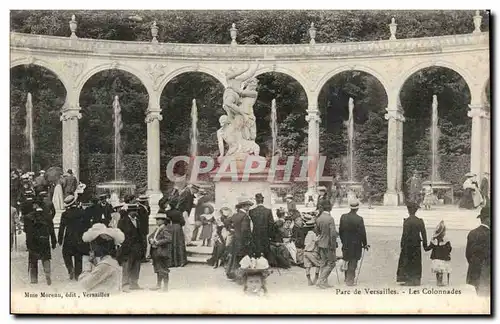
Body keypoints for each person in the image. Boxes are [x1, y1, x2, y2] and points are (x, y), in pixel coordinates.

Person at [79, 223, 124, 293]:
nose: (91, 249)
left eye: (92, 245)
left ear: (99, 247)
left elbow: (84, 284)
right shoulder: (110, 262)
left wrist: (88, 264)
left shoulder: (105, 265)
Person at [24, 200, 57, 285]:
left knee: (33, 260)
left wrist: (28, 244)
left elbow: (27, 231)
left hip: (33, 241)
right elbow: (52, 231)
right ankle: (47, 274)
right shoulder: (48, 216)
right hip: (44, 240)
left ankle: (34, 279)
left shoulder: (28, 217)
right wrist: (53, 242)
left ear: (35, 205)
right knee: (46, 258)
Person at [396, 202, 428, 286]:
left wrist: (402, 245)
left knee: (407, 261)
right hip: (417, 244)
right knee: (416, 261)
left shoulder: (406, 221)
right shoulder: (420, 221)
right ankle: (416, 279)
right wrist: (425, 245)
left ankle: (408, 279)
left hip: (407, 245)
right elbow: (424, 234)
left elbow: (404, 234)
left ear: (409, 211)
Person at [58, 195, 89, 281]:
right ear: (75, 202)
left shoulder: (65, 214)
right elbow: (87, 225)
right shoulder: (82, 212)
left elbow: (62, 227)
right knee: (78, 256)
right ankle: (77, 274)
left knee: (66, 254)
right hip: (80, 237)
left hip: (69, 237)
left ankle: (70, 268)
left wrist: (60, 239)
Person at [339, 198, 368, 286]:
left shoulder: (343, 217)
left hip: (346, 242)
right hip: (356, 244)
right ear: (357, 208)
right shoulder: (359, 219)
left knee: (346, 259)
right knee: (353, 261)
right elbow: (362, 233)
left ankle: (346, 277)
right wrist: (365, 244)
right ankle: (350, 280)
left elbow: (340, 230)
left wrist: (343, 240)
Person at [225, 195, 254, 280]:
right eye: (248, 205)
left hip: (235, 239)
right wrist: (248, 240)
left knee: (235, 257)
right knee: (242, 258)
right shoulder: (245, 217)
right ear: (244, 206)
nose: (249, 207)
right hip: (242, 241)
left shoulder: (235, 215)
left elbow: (226, 221)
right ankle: (238, 276)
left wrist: (231, 229)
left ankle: (230, 274)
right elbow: (245, 230)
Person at [117, 206, 144, 292]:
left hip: (137, 247)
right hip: (127, 247)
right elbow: (119, 234)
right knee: (127, 266)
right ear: (129, 212)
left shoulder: (137, 221)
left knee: (136, 266)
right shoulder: (122, 221)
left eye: (136, 211)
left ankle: (134, 283)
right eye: (134, 211)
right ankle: (125, 284)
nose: (136, 212)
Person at [466, 205, 490, 297]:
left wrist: (474, 264)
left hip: (474, 270)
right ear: (488, 219)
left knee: (478, 296)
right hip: (487, 272)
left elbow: (468, 255)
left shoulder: (472, 233)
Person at [148, 210, 173, 292]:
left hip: (162, 251)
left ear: (163, 220)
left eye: (159, 219)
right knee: (158, 269)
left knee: (164, 269)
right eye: (156, 219)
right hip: (156, 251)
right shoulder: (158, 229)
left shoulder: (165, 229)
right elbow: (151, 236)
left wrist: (158, 242)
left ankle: (165, 287)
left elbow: (168, 239)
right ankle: (158, 285)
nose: (157, 221)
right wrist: (151, 239)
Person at [315, 199, 338, 289]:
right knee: (332, 263)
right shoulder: (330, 219)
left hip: (321, 243)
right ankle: (321, 280)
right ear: (330, 207)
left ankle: (324, 282)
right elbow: (332, 234)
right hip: (328, 244)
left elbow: (316, 231)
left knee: (323, 263)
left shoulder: (319, 218)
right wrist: (333, 245)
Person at [424, 220, 452, 286]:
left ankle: (438, 282)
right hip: (443, 258)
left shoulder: (434, 240)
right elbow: (449, 249)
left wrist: (424, 245)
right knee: (441, 271)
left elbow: (428, 248)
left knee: (438, 271)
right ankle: (440, 282)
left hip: (436, 258)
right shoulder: (446, 240)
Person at [249, 193, 274, 260]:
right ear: (263, 200)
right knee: (266, 250)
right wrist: (270, 235)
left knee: (257, 250)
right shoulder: (268, 211)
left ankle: (258, 263)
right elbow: (271, 224)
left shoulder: (251, 211)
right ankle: (266, 264)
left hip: (255, 233)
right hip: (265, 234)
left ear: (256, 201)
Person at [164, 201, 188, 267]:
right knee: (179, 243)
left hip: (171, 227)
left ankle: (172, 262)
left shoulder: (167, 212)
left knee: (171, 244)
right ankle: (181, 261)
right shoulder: (179, 212)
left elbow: (165, 222)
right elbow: (183, 222)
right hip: (178, 228)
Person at [303, 217, 321, 285]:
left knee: (307, 266)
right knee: (318, 264)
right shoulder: (312, 234)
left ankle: (309, 280)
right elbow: (316, 240)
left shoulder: (307, 234)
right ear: (313, 227)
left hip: (305, 252)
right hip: (311, 252)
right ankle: (316, 278)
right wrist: (319, 236)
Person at [136, 195, 151, 262]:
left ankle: (143, 257)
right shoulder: (140, 208)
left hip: (144, 228)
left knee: (144, 242)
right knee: (143, 243)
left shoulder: (144, 207)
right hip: (142, 228)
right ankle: (142, 257)